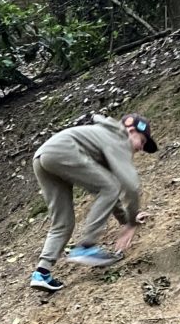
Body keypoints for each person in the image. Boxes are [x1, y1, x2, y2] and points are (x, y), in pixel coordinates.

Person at [29, 112, 157, 293]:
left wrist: (126, 218)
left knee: (63, 222)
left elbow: (108, 192)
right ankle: (86, 247)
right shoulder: (119, 138)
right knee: (110, 186)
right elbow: (131, 186)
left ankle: (42, 273)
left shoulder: (102, 137)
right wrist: (131, 224)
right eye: (142, 141)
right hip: (63, 151)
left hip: (42, 157)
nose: (141, 148)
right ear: (130, 131)